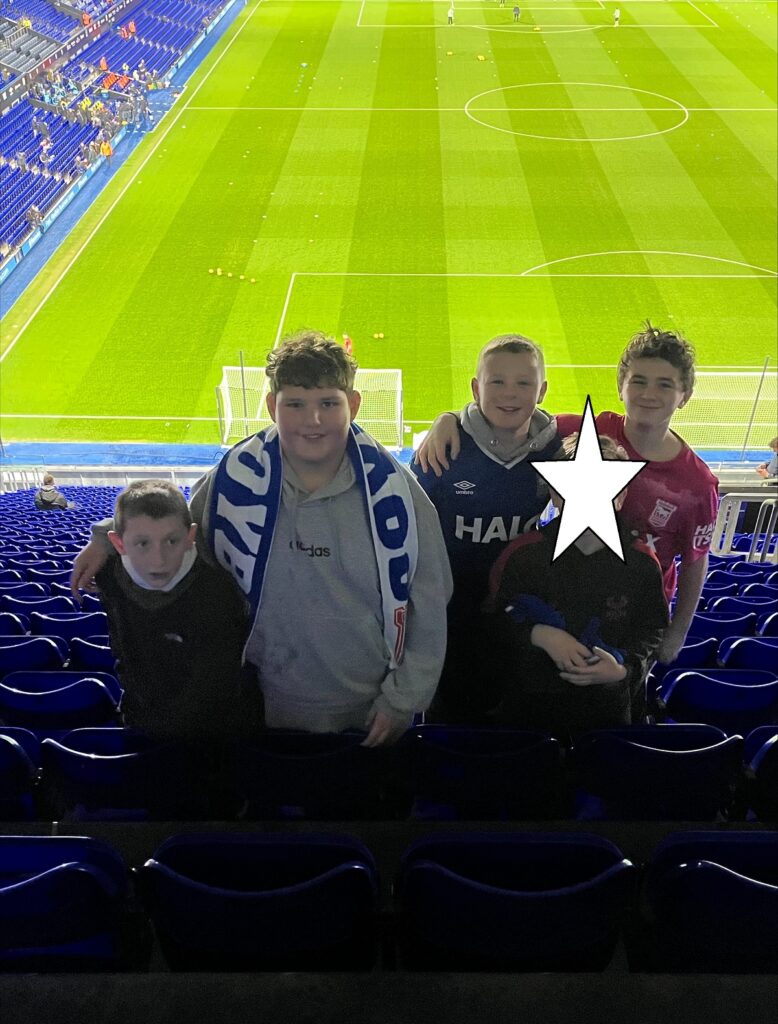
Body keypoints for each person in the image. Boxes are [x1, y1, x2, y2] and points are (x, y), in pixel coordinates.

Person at [73, 331, 452, 747]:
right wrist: (107, 540)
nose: (313, 420)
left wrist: (404, 699)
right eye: (295, 404)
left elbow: (429, 602)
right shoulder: (234, 478)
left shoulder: (398, 494)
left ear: (354, 405)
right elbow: (173, 526)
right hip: (256, 708)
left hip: (366, 715)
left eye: (329, 403)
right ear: (272, 406)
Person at [415, 323, 718, 667]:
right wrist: (449, 419)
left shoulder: (697, 484)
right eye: (638, 381)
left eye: (665, 384)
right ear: (621, 387)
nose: (649, 394)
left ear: (685, 395)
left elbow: (696, 560)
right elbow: (512, 416)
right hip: (561, 599)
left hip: (629, 616)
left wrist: (676, 634)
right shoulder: (586, 430)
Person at [411, 333, 560, 722]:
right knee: (449, 708)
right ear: (476, 388)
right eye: (497, 381)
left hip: (515, 611)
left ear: (542, 391)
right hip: (450, 609)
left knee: (506, 709)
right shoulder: (444, 448)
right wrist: (446, 418)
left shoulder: (555, 451)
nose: (509, 393)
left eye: (523, 383)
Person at [484, 434, 668, 737]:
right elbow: (495, 620)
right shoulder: (523, 554)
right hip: (529, 707)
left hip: (607, 710)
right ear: (556, 494)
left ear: (621, 496)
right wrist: (537, 633)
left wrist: (624, 670)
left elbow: (651, 629)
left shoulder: (642, 563)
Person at [96, 480, 259, 748]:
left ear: (190, 537)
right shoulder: (108, 575)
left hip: (209, 734)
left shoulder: (219, 592)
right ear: (118, 543)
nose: (158, 560)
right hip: (143, 720)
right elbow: (124, 649)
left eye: (171, 541)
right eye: (143, 544)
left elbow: (214, 685)